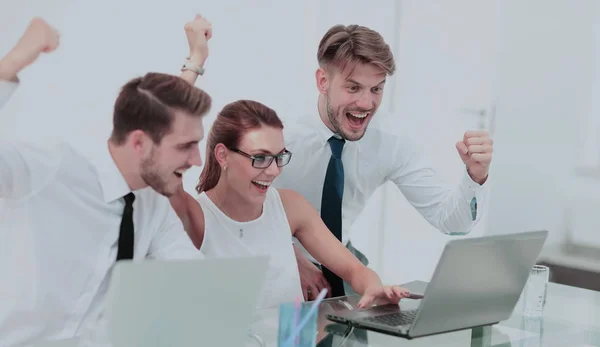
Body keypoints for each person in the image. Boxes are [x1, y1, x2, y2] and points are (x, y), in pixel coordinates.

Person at [170, 16, 411, 310]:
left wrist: (374, 288)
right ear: (223, 156)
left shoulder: (288, 206)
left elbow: (355, 270)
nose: (272, 171)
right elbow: (162, 145)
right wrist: (196, 59)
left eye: (279, 157)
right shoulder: (196, 217)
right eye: (259, 158)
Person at [0, 16, 212, 346]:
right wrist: (13, 61)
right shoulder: (52, 171)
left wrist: (196, 61)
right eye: (186, 147)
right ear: (139, 143)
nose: (198, 160)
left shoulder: (152, 202)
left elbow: (197, 282)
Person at [271, 24, 495, 300]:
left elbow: (452, 221)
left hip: (344, 266)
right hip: (275, 257)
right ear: (322, 81)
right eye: (353, 88)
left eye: (376, 89)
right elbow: (236, 210)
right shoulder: (279, 131)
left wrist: (475, 177)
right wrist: (290, 258)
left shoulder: (390, 139)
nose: (366, 103)